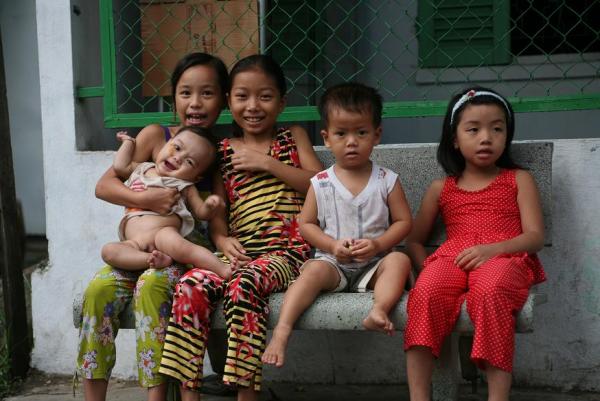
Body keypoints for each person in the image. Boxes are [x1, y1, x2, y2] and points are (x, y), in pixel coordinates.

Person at [158, 54, 323, 401]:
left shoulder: (292, 137)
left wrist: (267, 163)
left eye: (264, 96)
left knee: (245, 285)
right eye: (241, 96)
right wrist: (221, 237)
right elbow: (218, 211)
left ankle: (246, 394)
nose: (252, 106)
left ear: (282, 102)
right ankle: (190, 393)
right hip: (239, 253)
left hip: (286, 255)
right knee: (190, 284)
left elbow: (320, 184)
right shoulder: (221, 151)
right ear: (229, 100)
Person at [76, 52, 229, 401]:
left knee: (152, 286)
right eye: (185, 92)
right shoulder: (156, 136)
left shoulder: (215, 152)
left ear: (222, 98)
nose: (195, 103)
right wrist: (148, 200)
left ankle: (157, 395)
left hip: (176, 256)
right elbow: (105, 186)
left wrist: (221, 239)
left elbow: (213, 213)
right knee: (98, 290)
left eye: (207, 93)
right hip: (133, 250)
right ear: (173, 95)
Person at [403, 87, 546, 401]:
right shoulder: (441, 188)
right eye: (474, 129)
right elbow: (414, 239)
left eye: (497, 128)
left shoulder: (518, 179)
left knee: (491, 290)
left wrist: (492, 250)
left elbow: (535, 236)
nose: (486, 137)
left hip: (504, 259)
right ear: (455, 139)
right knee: (425, 292)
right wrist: (425, 266)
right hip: (452, 259)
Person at [262, 82, 413, 368]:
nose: (352, 141)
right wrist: (331, 245)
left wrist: (379, 244)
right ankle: (282, 332)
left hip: (374, 266)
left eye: (361, 132)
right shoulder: (320, 183)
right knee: (312, 272)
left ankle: (379, 310)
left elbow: (404, 221)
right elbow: (305, 224)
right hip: (332, 263)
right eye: (341, 133)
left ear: (377, 135)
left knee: (399, 260)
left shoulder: (386, 180)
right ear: (327, 138)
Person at [101, 127, 229, 277]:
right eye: (177, 147)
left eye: (189, 161)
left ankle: (223, 269)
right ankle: (150, 259)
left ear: (196, 177)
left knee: (188, 250)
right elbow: (120, 166)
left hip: (163, 235)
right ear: (164, 145)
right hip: (134, 241)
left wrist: (209, 205)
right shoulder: (142, 168)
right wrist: (128, 142)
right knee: (108, 251)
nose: (178, 158)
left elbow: (200, 212)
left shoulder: (184, 184)